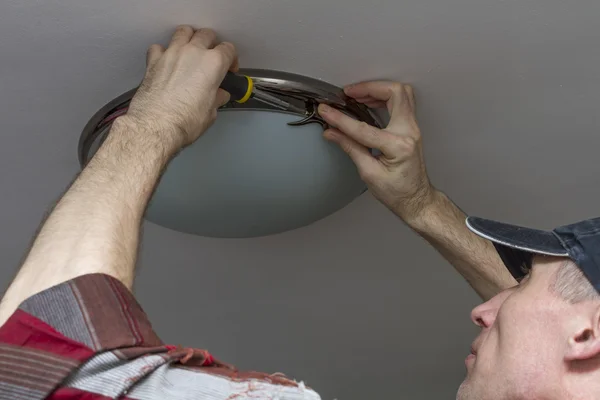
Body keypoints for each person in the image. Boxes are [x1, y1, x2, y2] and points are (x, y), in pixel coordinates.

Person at [1, 25, 600, 400]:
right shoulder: (572, 329)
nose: (482, 308)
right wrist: (420, 205)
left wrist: (151, 127)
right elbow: (557, 323)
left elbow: (42, 356)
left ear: (588, 334)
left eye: (521, 290)